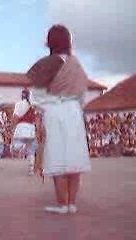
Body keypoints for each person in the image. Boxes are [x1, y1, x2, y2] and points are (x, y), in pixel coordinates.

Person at [27, 24, 91, 214]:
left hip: (54, 111)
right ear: (69, 41)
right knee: (74, 158)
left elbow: (36, 97)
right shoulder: (76, 64)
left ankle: (63, 204)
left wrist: (47, 105)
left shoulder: (46, 64)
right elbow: (82, 94)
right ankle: (72, 204)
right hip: (74, 111)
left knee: (58, 159)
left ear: (49, 42)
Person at [11, 89, 38, 176]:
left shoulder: (18, 104)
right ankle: (31, 168)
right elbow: (36, 118)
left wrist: (13, 128)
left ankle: (22, 147)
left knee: (17, 146)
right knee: (32, 150)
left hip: (21, 127)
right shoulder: (33, 106)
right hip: (31, 128)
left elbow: (15, 117)